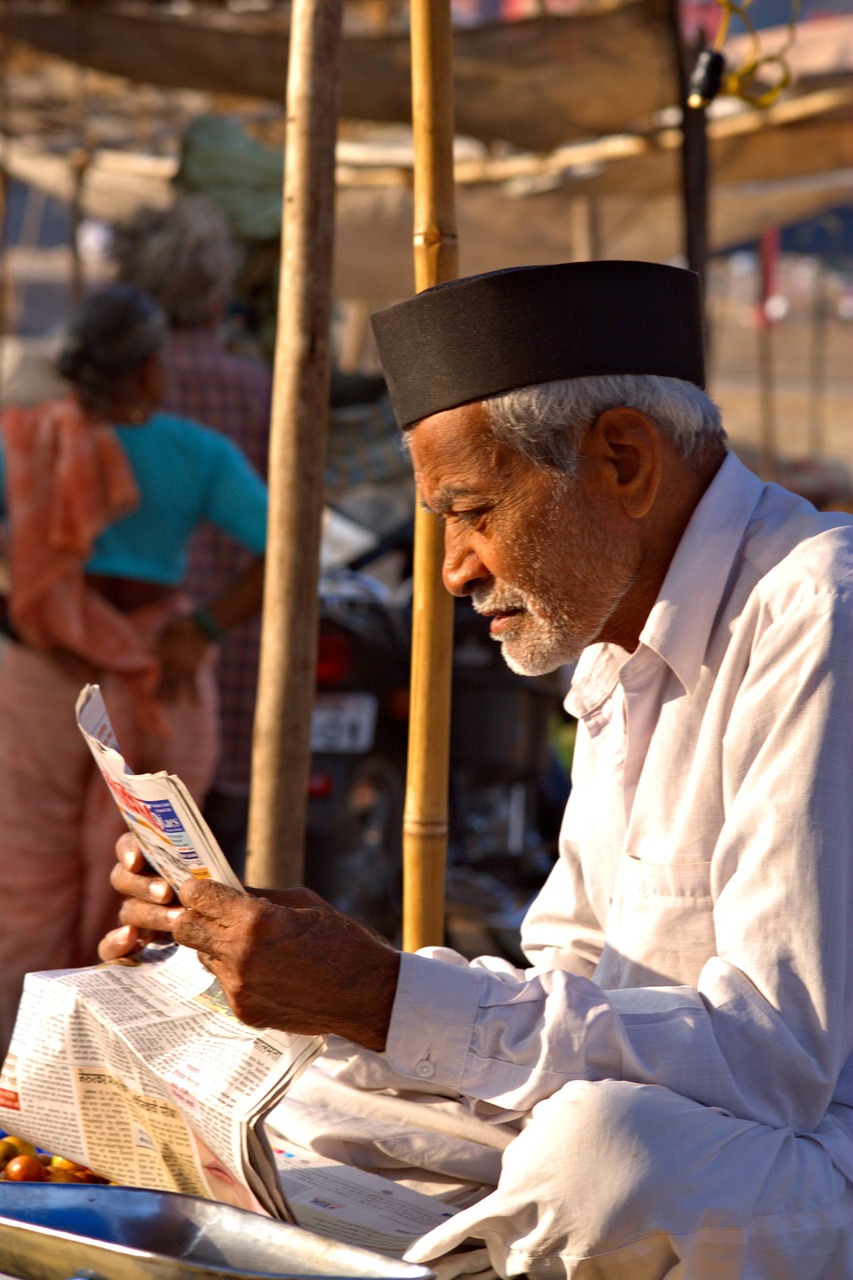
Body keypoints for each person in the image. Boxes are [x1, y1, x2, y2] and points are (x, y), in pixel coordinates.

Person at [99, 261, 853, 1278]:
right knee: (295, 1078)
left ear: (622, 461)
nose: (453, 565)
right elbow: (571, 983)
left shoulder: (818, 613)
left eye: (473, 509)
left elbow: (772, 1064)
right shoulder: (617, 647)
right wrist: (320, 974)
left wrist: (383, 995)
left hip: (807, 1144)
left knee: (601, 1160)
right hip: (667, 1110)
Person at [0, 282, 268, 1054]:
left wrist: (36, 607)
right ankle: (99, 1053)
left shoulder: (25, 438)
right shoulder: (194, 450)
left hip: (43, 667)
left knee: (25, 864)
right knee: (153, 868)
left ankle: (24, 1053)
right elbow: (286, 543)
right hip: (154, 665)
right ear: (151, 370)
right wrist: (204, 627)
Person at [110, 195, 273, 876]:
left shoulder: (107, 395)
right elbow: (285, 546)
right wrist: (206, 625)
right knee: (212, 871)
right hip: (225, 661)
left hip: (115, 658)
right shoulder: (257, 389)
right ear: (216, 294)